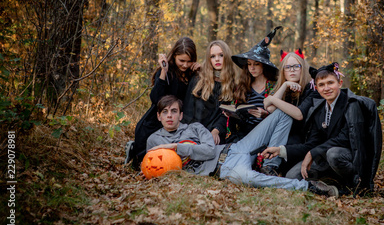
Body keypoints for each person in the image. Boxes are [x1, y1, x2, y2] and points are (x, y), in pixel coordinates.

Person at [147, 95, 339, 197]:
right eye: (165, 112)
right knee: (249, 178)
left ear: (181, 115)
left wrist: (176, 147)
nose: (169, 116)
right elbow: (155, 168)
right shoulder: (154, 141)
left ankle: (270, 166)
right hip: (225, 169)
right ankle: (307, 187)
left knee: (282, 114)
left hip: (235, 148)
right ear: (159, 116)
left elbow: (208, 151)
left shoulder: (196, 128)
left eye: (174, 111)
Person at [261, 62, 383, 195]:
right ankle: (330, 183)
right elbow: (313, 143)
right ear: (317, 89)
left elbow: (346, 138)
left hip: (349, 157)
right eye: (321, 85)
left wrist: (313, 153)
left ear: (340, 83)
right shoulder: (319, 110)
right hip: (325, 156)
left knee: (334, 154)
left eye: (330, 83)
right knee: (292, 175)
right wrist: (280, 150)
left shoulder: (352, 104)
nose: (326, 88)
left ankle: (353, 185)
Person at [125, 37, 200, 168]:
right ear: (174, 56)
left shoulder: (192, 73)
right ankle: (134, 150)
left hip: (178, 120)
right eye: (181, 61)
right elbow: (156, 98)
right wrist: (163, 71)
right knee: (147, 161)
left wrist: (201, 70)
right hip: (156, 120)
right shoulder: (167, 72)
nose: (185, 65)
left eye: (189, 61)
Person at [258, 49, 320, 176]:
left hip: (300, 141)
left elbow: (298, 114)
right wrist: (285, 85)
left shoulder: (311, 89)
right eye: (287, 67)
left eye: (296, 66)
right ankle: (268, 166)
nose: (292, 70)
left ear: (302, 68)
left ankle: (272, 167)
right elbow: (269, 108)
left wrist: (271, 98)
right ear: (283, 71)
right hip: (282, 137)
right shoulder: (286, 89)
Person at [227, 27, 281, 143]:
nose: (252, 68)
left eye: (256, 64)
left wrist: (265, 114)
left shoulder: (275, 86)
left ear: (264, 65)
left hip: (266, 134)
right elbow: (236, 110)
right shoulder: (242, 86)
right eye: (249, 64)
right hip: (243, 134)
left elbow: (281, 116)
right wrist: (231, 112)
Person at [182, 40, 238, 145]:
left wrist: (216, 130)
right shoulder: (198, 80)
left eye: (221, 55)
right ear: (209, 59)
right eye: (212, 56)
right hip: (193, 133)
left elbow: (226, 115)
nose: (217, 59)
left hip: (217, 134)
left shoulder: (232, 85)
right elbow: (188, 111)